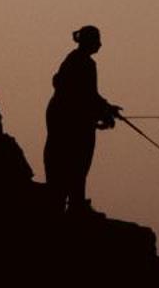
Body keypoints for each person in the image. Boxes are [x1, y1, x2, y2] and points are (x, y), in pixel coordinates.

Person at [43, 25, 119, 218]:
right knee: (78, 160)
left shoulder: (73, 59)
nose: (100, 44)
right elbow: (85, 95)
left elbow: (87, 95)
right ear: (90, 42)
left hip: (61, 116)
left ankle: (70, 202)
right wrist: (105, 111)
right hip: (72, 121)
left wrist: (106, 109)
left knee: (65, 160)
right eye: (97, 40)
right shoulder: (85, 63)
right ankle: (75, 205)